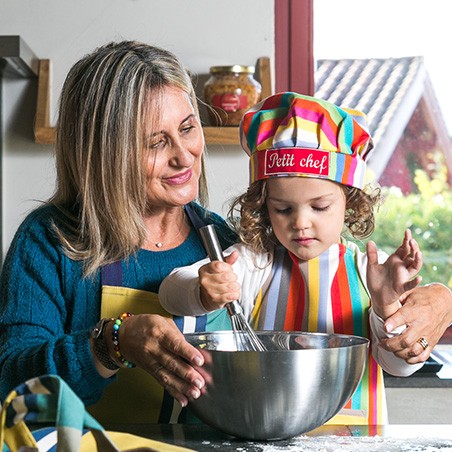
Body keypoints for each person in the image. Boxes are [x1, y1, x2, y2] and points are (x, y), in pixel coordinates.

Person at [159, 92, 449, 425]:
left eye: (320, 207)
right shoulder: (255, 262)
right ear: (264, 207)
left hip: (350, 441)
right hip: (265, 428)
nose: (300, 222)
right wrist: (202, 290)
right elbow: (171, 291)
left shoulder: (371, 270)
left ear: (351, 203)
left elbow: (399, 365)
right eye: (282, 209)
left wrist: (385, 305)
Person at [0, 40, 237, 425]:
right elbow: (12, 387)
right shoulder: (50, 241)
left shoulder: (219, 239)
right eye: (156, 142)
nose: (183, 155)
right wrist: (111, 343)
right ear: (105, 153)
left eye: (187, 128)